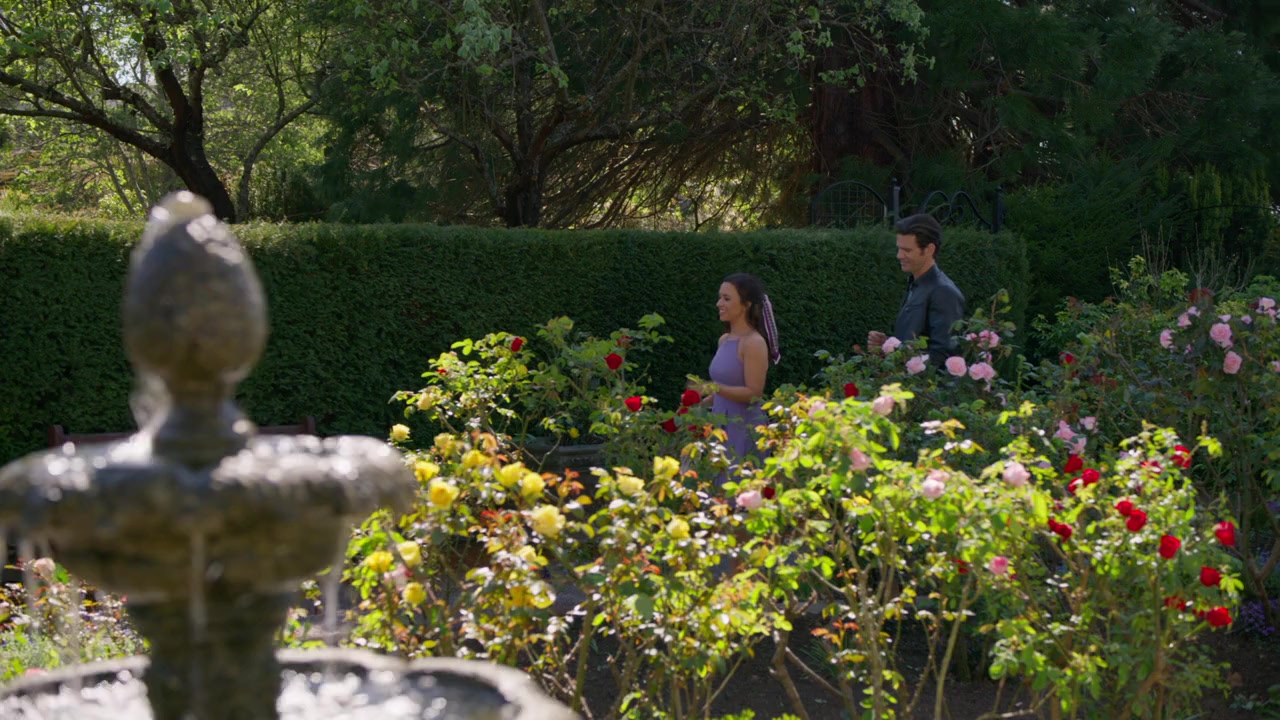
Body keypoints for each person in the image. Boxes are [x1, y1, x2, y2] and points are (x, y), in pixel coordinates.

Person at [703, 273, 780, 471]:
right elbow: (726, 389)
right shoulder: (724, 340)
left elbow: (754, 393)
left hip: (743, 428)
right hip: (721, 426)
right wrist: (698, 403)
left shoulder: (753, 343)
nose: (719, 303)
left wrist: (715, 388)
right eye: (720, 297)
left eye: (727, 298)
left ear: (745, 305)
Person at [867, 214, 966, 367]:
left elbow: (942, 357)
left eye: (907, 250)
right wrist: (887, 346)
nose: (899, 256)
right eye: (899, 248)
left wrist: (896, 355)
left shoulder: (943, 292)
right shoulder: (916, 284)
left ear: (929, 249)